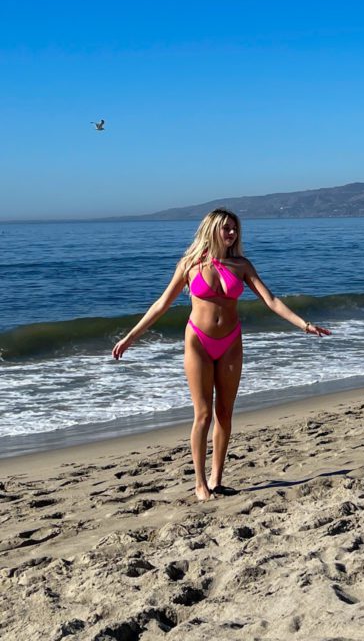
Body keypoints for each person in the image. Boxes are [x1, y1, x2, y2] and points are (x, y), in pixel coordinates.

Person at [112, 208, 331, 501]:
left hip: (230, 343)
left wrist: (304, 325)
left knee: (224, 413)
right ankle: (199, 483)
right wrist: (130, 337)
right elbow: (162, 304)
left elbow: (271, 300)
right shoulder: (189, 263)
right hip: (198, 343)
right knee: (202, 414)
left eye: (235, 229)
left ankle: (216, 479)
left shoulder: (241, 265)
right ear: (212, 229)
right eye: (226, 228)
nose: (231, 233)